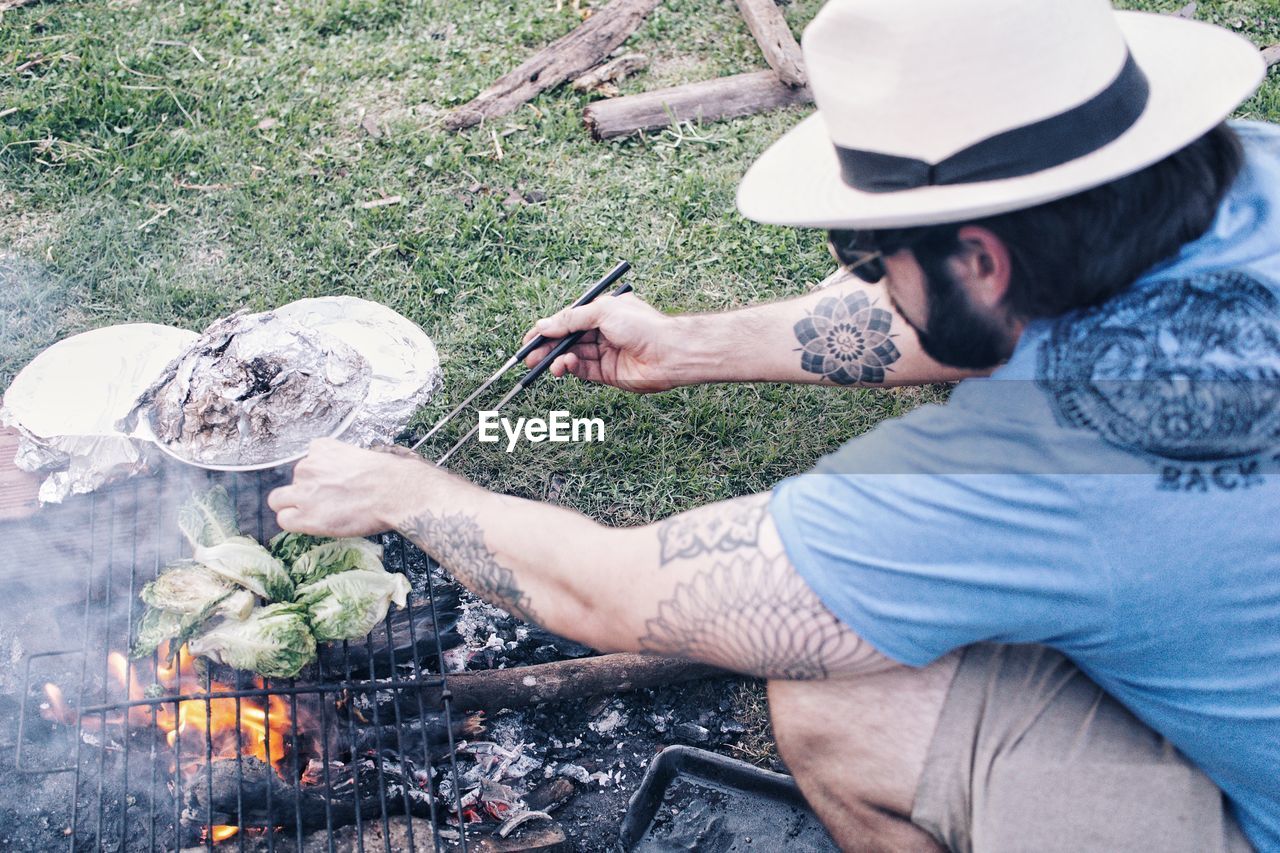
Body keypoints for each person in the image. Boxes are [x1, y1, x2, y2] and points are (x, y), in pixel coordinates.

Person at [267, 1, 1280, 849]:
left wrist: (410, 491)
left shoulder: (1028, 467)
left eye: (869, 244)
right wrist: (690, 346)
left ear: (981, 258)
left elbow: (617, 591)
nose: (866, 267)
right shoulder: (1244, 181)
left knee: (836, 695)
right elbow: (970, 310)